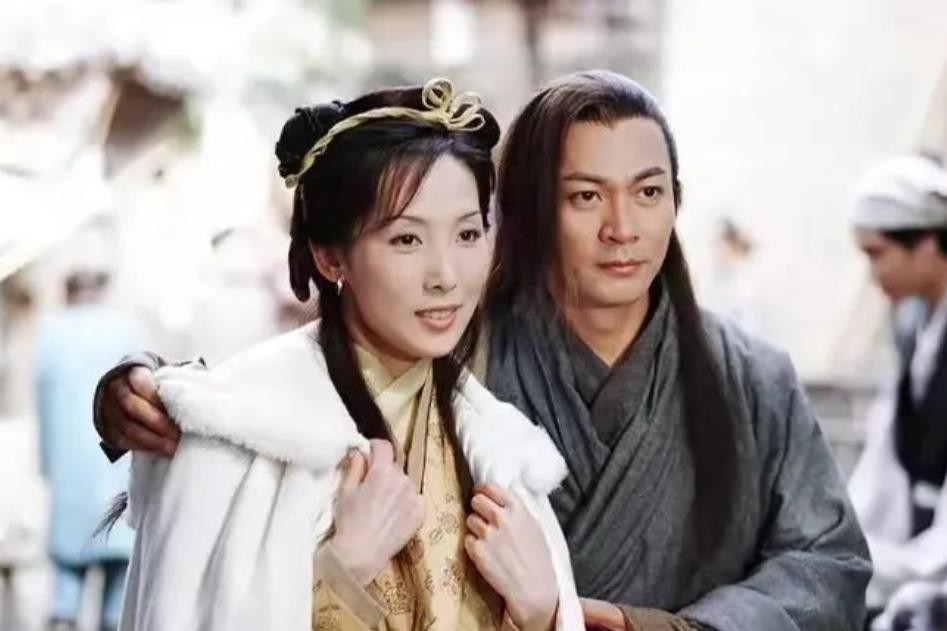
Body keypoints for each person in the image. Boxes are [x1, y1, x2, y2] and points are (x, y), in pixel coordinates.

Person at [94, 71, 870, 631]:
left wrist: (597, 618)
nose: (623, 227)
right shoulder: (454, 347)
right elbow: (256, 421)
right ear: (530, 211)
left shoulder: (737, 380)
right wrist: (148, 395)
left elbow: (827, 561)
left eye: (648, 191)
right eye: (585, 195)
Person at [111, 78, 582, 631]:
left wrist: (542, 612)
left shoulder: (501, 448)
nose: (446, 276)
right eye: (406, 239)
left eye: (468, 234)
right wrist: (340, 571)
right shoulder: (236, 432)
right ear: (330, 257)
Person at [847, 155, 947, 630]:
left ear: (927, 243)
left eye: (877, 253)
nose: (873, 272)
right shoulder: (915, 330)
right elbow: (881, 472)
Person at [35, 269, 146, 631]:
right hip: (118, 467)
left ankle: (63, 618)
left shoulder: (51, 334)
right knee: (118, 593)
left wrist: (46, 466)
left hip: (68, 474)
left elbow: (44, 409)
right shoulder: (127, 330)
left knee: (67, 577)